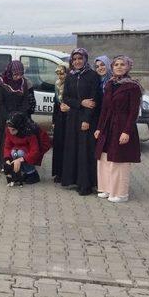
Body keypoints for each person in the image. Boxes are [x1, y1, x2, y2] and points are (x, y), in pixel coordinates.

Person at [94, 56, 142, 203]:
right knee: (104, 157)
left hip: (122, 125)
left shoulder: (133, 86)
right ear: (112, 67)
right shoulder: (109, 84)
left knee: (119, 160)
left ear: (128, 67)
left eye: (122, 65)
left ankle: (120, 193)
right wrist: (99, 128)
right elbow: (104, 109)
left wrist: (127, 131)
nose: (119, 67)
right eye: (116, 65)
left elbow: (133, 111)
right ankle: (106, 188)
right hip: (108, 125)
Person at [60, 48, 101, 195]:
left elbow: (94, 100)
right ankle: (73, 180)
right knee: (73, 149)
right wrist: (80, 103)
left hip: (86, 120)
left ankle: (86, 184)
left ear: (85, 59)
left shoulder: (93, 76)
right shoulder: (70, 77)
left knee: (85, 152)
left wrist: (86, 119)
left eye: (80, 58)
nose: (77, 61)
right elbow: (65, 97)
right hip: (73, 118)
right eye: (74, 59)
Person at [0, 60, 32, 167]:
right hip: (4, 117)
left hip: (19, 117)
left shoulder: (23, 83)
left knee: (18, 141)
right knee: (4, 141)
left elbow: (25, 101)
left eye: (20, 74)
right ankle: (3, 163)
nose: (18, 77)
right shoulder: (2, 82)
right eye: (16, 74)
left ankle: (18, 163)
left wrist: (19, 116)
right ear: (10, 73)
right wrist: (8, 117)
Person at [2, 112, 42, 186]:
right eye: (9, 129)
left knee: (19, 153)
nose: (11, 132)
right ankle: (22, 172)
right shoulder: (9, 131)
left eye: (13, 130)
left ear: (19, 127)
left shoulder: (30, 132)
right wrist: (7, 159)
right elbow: (7, 146)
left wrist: (21, 159)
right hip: (17, 150)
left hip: (29, 152)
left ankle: (32, 173)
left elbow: (35, 151)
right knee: (14, 152)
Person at [51, 64, 69, 183]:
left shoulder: (70, 84)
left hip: (69, 117)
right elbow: (55, 103)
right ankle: (58, 172)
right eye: (58, 73)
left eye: (62, 73)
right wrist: (53, 120)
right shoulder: (57, 85)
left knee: (67, 145)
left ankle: (66, 173)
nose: (60, 76)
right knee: (58, 145)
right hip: (59, 117)